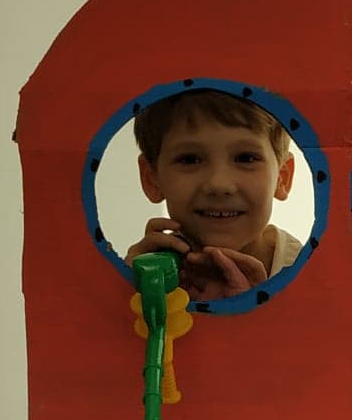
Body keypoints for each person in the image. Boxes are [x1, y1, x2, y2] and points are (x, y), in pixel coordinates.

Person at [127, 88, 302, 301]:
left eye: (246, 158)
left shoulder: (315, 277)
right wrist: (121, 295)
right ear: (151, 179)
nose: (219, 184)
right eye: (190, 159)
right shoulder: (145, 273)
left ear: (282, 177)